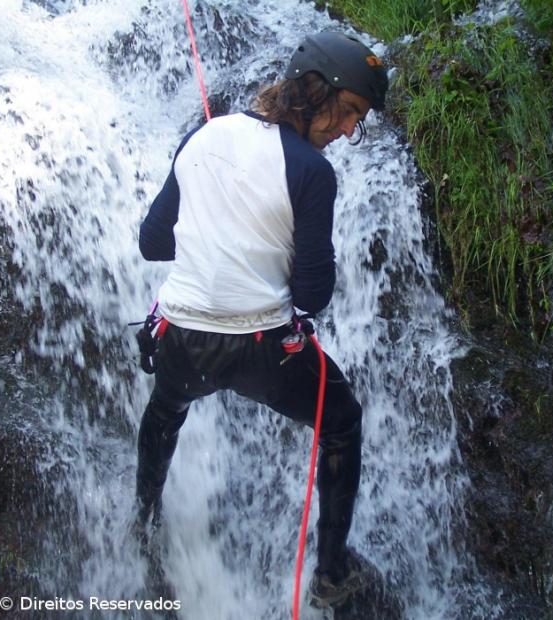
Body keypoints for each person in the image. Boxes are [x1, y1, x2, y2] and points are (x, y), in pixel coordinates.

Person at [134, 31, 388, 608]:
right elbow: (313, 296)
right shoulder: (313, 172)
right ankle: (331, 574)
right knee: (341, 421)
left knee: (166, 408)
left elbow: (153, 242)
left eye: (359, 120)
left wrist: (215, 234)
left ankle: (142, 521)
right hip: (264, 353)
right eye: (350, 110)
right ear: (316, 90)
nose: (350, 129)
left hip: (181, 342)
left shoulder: (203, 136)